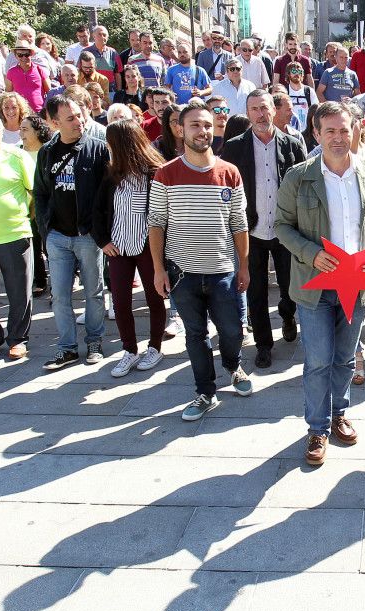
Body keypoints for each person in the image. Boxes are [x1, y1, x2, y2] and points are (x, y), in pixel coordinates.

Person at [274, 101, 365, 465]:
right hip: (315, 286)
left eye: (345, 130)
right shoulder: (299, 175)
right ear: (316, 134)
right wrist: (310, 253)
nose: (339, 138)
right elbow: (281, 226)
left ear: (356, 129)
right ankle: (317, 428)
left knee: (344, 358)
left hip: (357, 283)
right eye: (330, 131)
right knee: (319, 359)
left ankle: (340, 412)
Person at [148, 102, 253, 420]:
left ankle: (234, 366)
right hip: (183, 274)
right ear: (180, 129)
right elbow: (156, 224)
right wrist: (157, 270)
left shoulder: (229, 173)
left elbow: (240, 224)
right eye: (194, 125)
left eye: (207, 124)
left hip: (223, 271)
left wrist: (244, 266)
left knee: (233, 331)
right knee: (195, 335)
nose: (202, 130)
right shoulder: (166, 174)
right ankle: (205, 392)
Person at [220, 89, 306, 368]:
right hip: (250, 230)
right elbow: (226, 190)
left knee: (290, 286)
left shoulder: (292, 144)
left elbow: (304, 188)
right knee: (254, 291)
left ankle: (288, 314)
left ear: (274, 110)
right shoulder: (233, 147)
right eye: (254, 109)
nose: (260, 114)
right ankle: (263, 344)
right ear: (248, 113)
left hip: (285, 230)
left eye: (264, 108)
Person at [33, 94, 111, 371]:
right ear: (54, 123)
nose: (79, 121)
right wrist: (46, 228)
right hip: (57, 236)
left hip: (88, 236)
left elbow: (108, 196)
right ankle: (67, 348)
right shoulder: (46, 153)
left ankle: (94, 342)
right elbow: (40, 193)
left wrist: (100, 232)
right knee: (61, 296)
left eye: (80, 114)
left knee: (93, 292)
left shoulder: (99, 149)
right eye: (70, 118)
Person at [91, 120, 167, 377]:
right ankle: (129, 350)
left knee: (154, 297)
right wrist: (103, 241)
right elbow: (98, 211)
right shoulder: (112, 174)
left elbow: (164, 212)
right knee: (120, 302)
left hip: (148, 246)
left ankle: (155, 347)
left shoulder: (154, 172)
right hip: (119, 248)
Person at [5, 41, 49, 114]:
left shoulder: (39, 70)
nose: (24, 57)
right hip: (20, 113)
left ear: (31, 54)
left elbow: (49, 92)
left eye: (26, 54)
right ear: (15, 56)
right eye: (20, 55)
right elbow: (8, 94)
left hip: (39, 112)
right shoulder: (11, 72)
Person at [83, 25, 124, 91]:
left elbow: (117, 74)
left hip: (110, 90)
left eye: (104, 35)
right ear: (94, 36)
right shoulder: (86, 52)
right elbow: (80, 71)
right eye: (99, 34)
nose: (102, 37)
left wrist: (119, 91)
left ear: (107, 38)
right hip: (91, 90)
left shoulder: (113, 53)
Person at [283, 62, 318, 132]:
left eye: (299, 71)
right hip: (289, 131)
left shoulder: (309, 91)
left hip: (307, 131)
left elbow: (316, 110)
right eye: (294, 71)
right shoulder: (284, 91)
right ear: (288, 74)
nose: (297, 74)